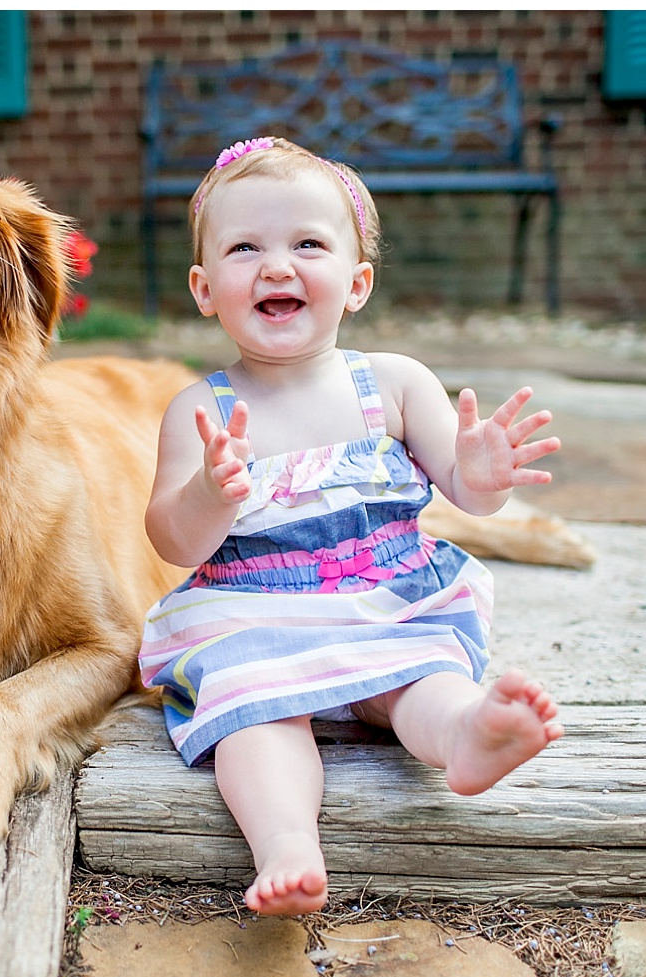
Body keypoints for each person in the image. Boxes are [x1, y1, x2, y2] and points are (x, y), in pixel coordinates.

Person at [138, 137, 564, 917]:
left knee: (422, 673)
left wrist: (482, 472)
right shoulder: (197, 408)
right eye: (245, 248)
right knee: (253, 714)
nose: (276, 267)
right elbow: (173, 541)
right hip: (255, 611)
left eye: (307, 244)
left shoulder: (396, 383)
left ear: (357, 281)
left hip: (384, 598)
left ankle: (466, 735)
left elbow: (468, 494)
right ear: (204, 289)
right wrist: (209, 490)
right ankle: (286, 843)